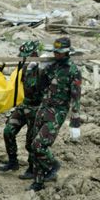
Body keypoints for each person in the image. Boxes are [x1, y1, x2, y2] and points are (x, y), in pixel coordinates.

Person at [27, 37, 82, 191]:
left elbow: (76, 97)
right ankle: (38, 182)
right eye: (55, 52)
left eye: (60, 52)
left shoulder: (73, 71)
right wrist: (38, 69)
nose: (57, 55)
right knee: (33, 144)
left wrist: (75, 121)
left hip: (57, 112)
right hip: (43, 108)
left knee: (39, 145)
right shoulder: (52, 67)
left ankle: (53, 164)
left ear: (67, 52)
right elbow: (38, 87)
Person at [0, 41, 46, 179]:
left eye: (26, 56)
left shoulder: (43, 70)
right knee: (8, 131)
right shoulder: (24, 68)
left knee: (31, 141)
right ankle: (13, 162)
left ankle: (32, 168)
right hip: (24, 105)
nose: (23, 59)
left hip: (37, 108)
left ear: (34, 54)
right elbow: (19, 89)